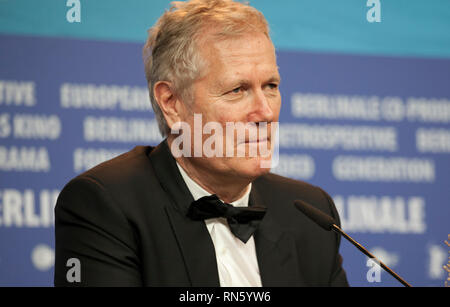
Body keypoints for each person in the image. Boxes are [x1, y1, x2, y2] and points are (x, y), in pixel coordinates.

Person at [54, 0, 349, 287]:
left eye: (271, 86)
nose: (266, 112)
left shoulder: (309, 213)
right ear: (172, 103)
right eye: (237, 89)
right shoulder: (106, 205)